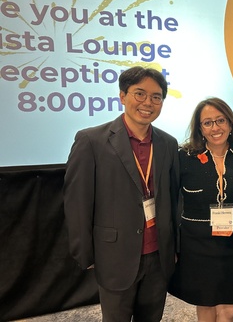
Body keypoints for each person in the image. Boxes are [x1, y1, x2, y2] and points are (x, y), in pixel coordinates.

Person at [63, 66, 179, 322]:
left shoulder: (168, 144)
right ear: (122, 96)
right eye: (140, 94)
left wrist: (174, 247)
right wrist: (86, 254)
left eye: (156, 97)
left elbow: (173, 200)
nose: (148, 103)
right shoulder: (91, 140)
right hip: (114, 255)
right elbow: (77, 203)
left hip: (158, 257)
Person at [169, 97, 233, 322]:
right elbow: (171, 202)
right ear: (199, 128)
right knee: (205, 306)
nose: (215, 128)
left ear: (231, 123)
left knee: (229, 311)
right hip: (196, 246)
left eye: (220, 120)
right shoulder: (183, 157)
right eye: (207, 123)